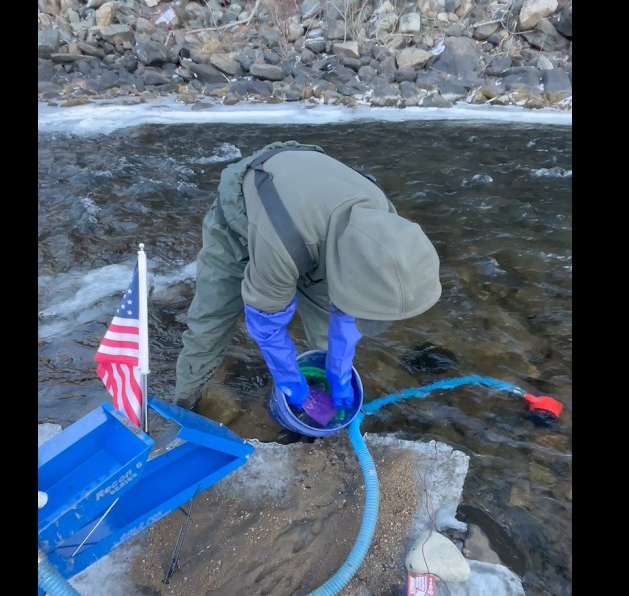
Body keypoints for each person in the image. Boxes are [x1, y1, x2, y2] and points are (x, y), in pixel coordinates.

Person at [172, 140, 442, 425]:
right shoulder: (280, 249)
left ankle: (329, 386)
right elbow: (265, 325)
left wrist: (339, 370)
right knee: (210, 322)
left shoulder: (387, 232)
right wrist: (292, 386)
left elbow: (348, 312)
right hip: (247, 208)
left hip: (313, 215)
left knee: (326, 332)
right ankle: (183, 405)